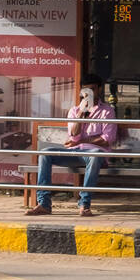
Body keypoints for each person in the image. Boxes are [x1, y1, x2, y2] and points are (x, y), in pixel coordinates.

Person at [26, 74, 118, 218]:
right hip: (75, 152)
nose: (88, 94)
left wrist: (83, 141)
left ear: (99, 89)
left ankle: (84, 204)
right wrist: (82, 113)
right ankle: (44, 203)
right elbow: (74, 136)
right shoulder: (75, 111)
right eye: (85, 91)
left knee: (93, 155)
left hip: (96, 155)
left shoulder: (107, 111)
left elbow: (107, 138)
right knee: (45, 153)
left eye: (92, 90)